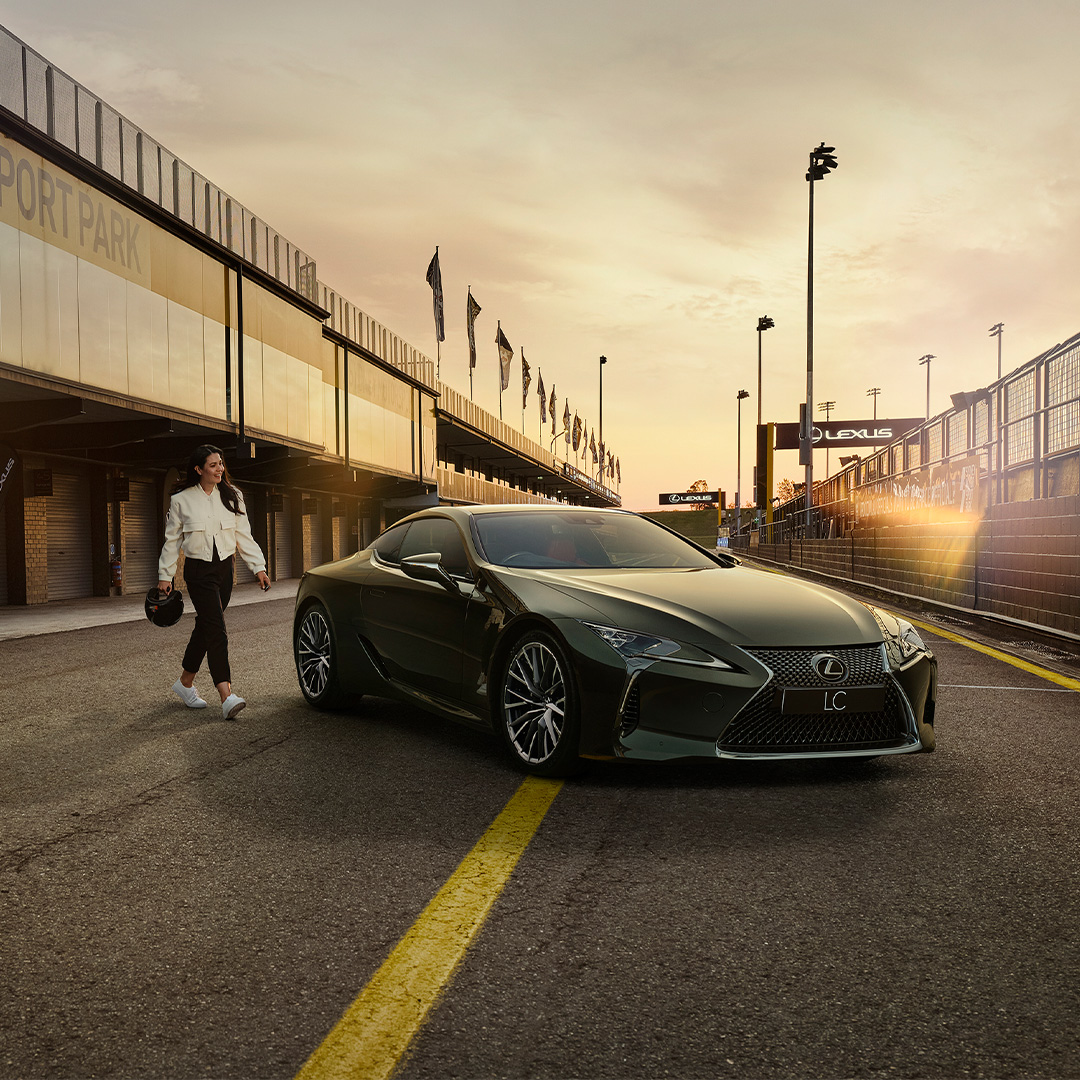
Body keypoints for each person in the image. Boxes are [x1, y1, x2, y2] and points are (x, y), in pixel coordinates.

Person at [157, 445, 270, 719]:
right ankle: (226, 695)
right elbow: (172, 541)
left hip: (225, 571)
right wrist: (165, 575)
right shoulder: (181, 500)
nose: (220, 469)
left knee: (207, 626)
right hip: (198, 572)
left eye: (221, 463)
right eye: (213, 465)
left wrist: (259, 567)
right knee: (217, 629)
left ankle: (185, 683)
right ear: (199, 469)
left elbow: (244, 535)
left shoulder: (233, 496)